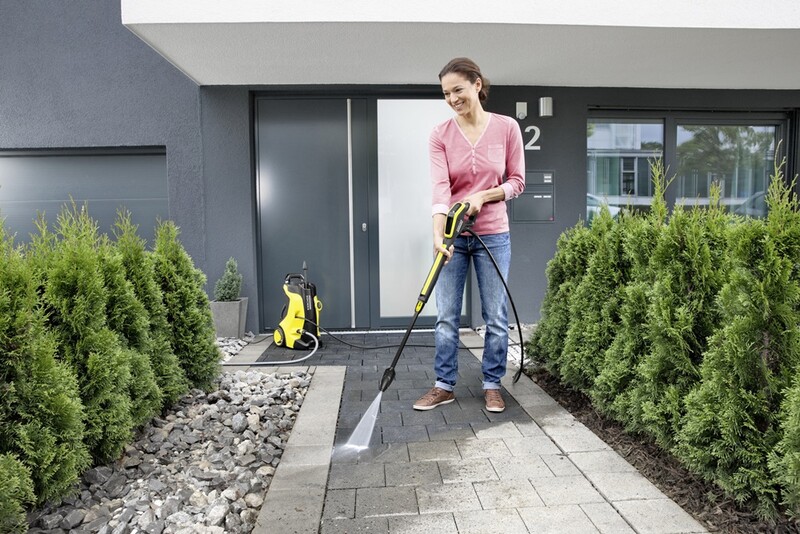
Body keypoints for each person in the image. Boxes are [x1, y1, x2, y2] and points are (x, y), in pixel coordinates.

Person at [413, 57, 525, 413]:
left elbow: (517, 183)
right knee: (446, 314)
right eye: (446, 93)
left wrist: (483, 195)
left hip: (493, 234)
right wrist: (437, 235)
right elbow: (440, 189)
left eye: (457, 89)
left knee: (494, 314)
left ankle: (492, 383)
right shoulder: (440, 135)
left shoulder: (507, 128)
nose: (452, 98)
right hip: (453, 236)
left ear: (477, 84)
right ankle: (443, 385)